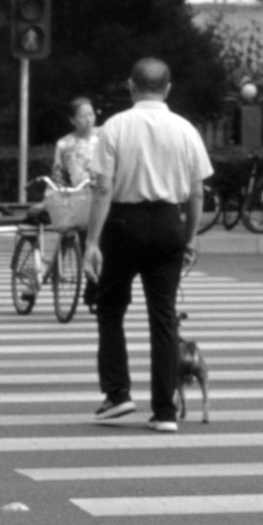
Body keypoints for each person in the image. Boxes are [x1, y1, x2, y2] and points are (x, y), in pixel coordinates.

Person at [80, 58, 213, 433]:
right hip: (170, 223)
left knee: (110, 308)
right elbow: (197, 191)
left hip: (123, 225)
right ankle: (165, 412)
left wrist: (92, 241)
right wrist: (190, 237)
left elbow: (103, 187)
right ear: (168, 88)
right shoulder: (186, 129)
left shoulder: (115, 127)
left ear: (131, 86)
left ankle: (117, 394)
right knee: (163, 318)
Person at [52, 96, 99, 187]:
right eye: (83, 116)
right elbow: (58, 176)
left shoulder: (103, 138)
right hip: (76, 195)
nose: (88, 120)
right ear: (72, 120)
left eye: (91, 114)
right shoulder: (63, 144)